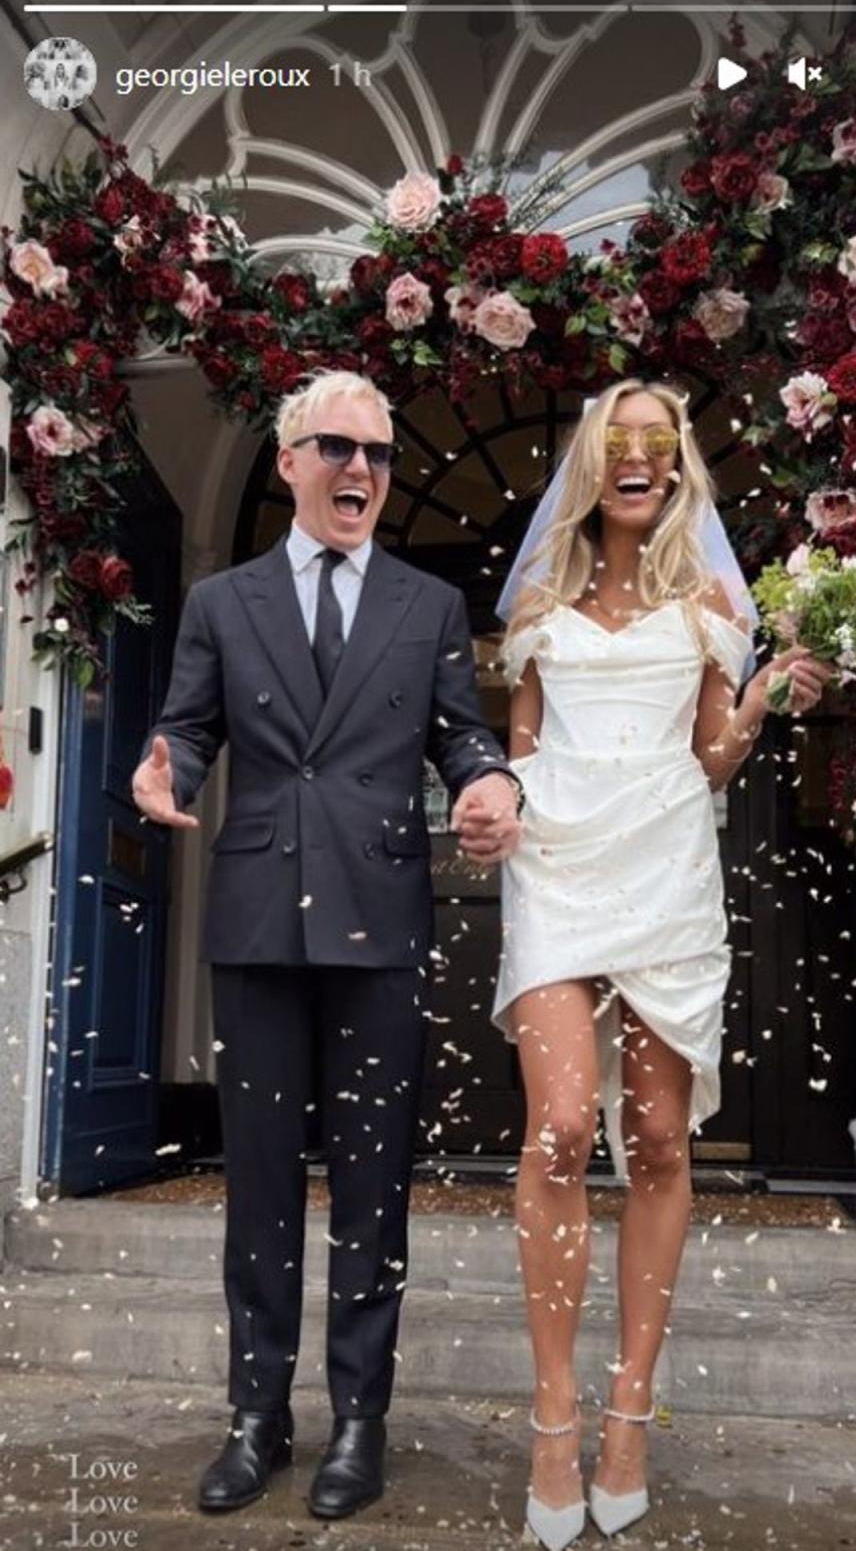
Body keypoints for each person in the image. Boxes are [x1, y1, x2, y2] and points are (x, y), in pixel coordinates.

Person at [131, 370, 523, 1521]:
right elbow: (187, 725)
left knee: (370, 1185)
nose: (364, 471)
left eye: (383, 455)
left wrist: (492, 780)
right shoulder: (221, 601)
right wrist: (165, 766)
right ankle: (257, 1416)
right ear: (293, 460)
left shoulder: (428, 606)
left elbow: (462, 735)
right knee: (256, 1183)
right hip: (256, 920)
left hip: (381, 923)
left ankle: (361, 1418)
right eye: (341, 449)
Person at [489, 379, 832, 1550]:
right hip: (557, 867)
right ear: (593, 462)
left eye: (660, 443)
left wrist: (767, 698)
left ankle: (628, 1411)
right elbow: (520, 749)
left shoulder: (712, 606)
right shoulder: (538, 598)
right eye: (617, 443)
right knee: (560, 1129)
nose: (638, 459)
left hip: (669, 874)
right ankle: (553, 1411)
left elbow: (714, 758)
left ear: (681, 464)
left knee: (663, 1141)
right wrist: (496, 812)